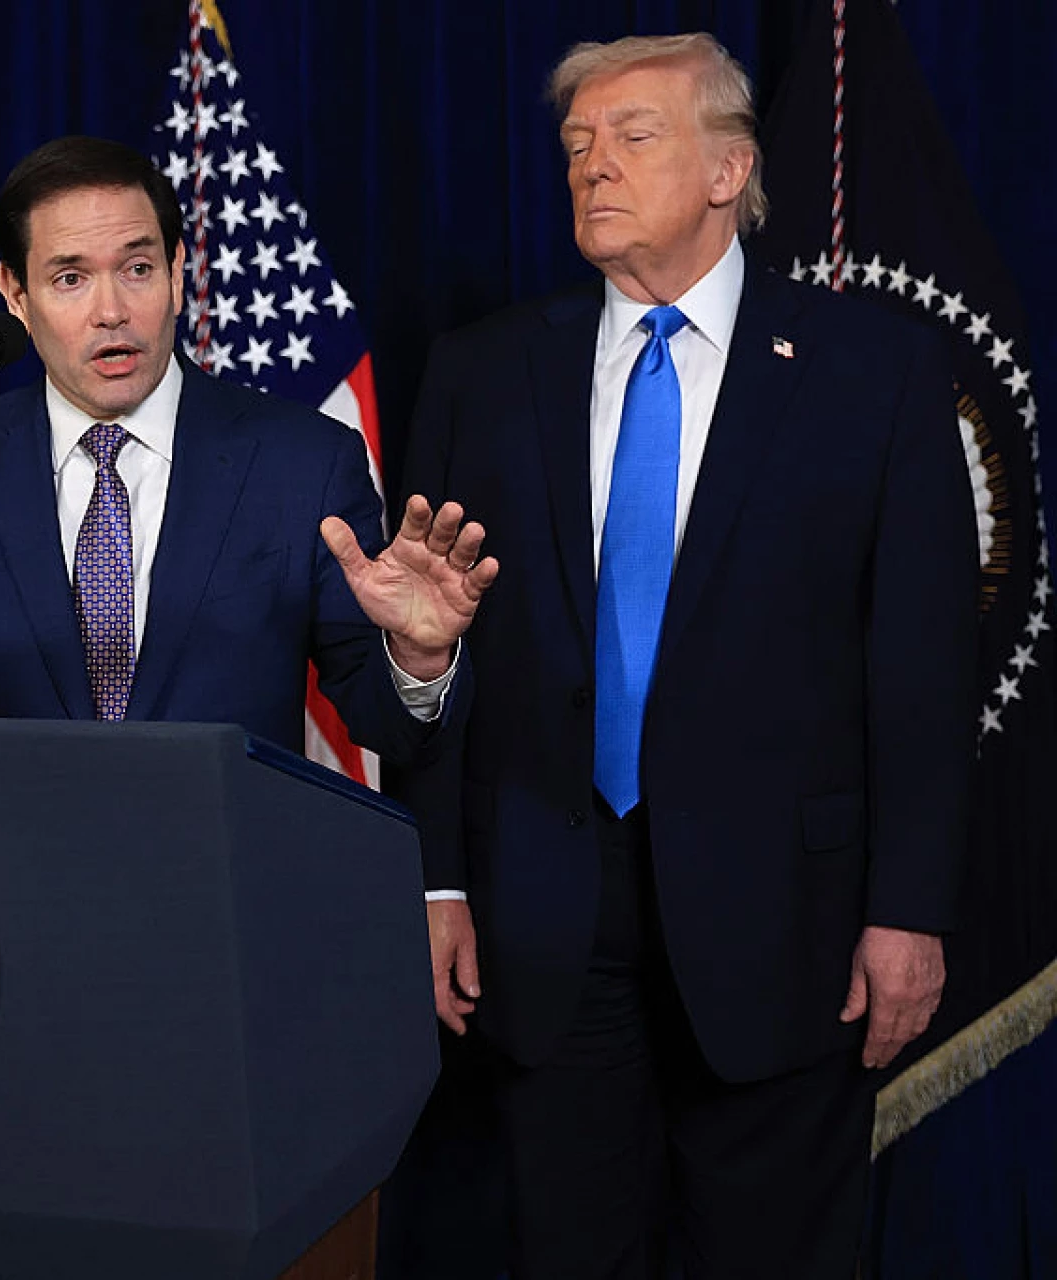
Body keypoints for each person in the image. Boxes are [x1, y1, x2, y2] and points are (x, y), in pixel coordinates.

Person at [396, 33, 976, 1278]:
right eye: (575, 145)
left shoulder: (874, 371)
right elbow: (436, 650)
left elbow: (923, 667)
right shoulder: (482, 371)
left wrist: (910, 907)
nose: (592, 165)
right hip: (545, 919)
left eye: (632, 136)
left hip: (793, 925)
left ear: (729, 170)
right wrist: (435, 880)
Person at [0, 135, 495, 761]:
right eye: (70, 279)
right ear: (15, 294)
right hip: (7, 892)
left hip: (223, 885)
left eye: (137, 268)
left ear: (178, 272)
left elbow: (387, 729)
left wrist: (418, 659)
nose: (112, 310)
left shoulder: (305, 463)